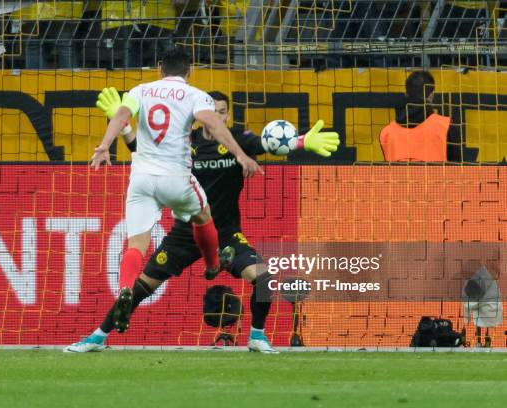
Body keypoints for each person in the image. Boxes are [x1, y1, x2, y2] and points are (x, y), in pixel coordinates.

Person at [64, 89, 340, 353]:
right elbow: (141, 150)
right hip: (184, 235)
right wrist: (124, 128)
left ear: (228, 116)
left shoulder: (238, 141)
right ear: (201, 114)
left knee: (265, 278)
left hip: (225, 234)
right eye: (213, 112)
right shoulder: (186, 142)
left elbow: (266, 144)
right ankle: (97, 336)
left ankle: (257, 336)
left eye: (222, 113)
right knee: (141, 287)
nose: (217, 117)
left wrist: (303, 141)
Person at [85, 48, 262, 339]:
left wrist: (104, 145)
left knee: (136, 244)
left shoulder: (140, 90)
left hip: (141, 178)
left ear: (159, 68)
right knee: (204, 214)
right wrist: (241, 155)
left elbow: (120, 116)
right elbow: (214, 124)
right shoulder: (196, 95)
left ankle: (126, 288)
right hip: (176, 178)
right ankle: (212, 263)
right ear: (188, 71)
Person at [379, 70, 478, 162]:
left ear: (406, 94)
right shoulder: (446, 126)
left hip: (401, 180)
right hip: (438, 180)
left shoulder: (386, 133)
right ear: (431, 95)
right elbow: (457, 168)